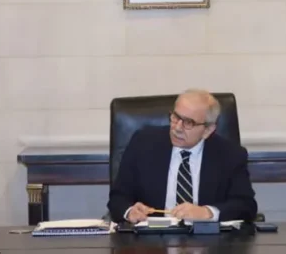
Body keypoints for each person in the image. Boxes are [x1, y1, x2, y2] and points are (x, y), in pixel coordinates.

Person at [107, 89, 257, 223]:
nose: (177, 128)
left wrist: (207, 213)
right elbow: (118, 198)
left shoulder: (230, 155)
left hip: (208, 241)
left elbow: (246, 205)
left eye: (188, 123)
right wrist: (130, 211)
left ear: (208, 130)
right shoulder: (143, 143)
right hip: (151, 240)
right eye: (175, 117)